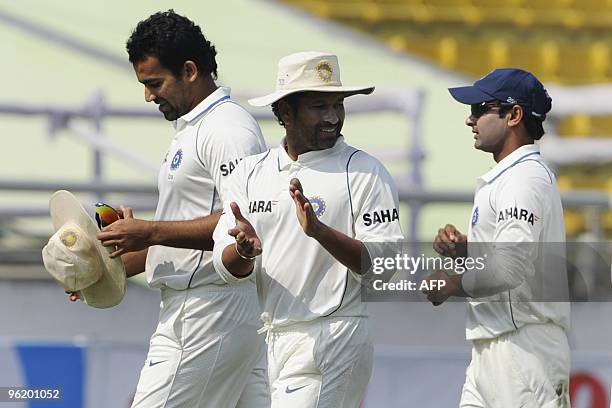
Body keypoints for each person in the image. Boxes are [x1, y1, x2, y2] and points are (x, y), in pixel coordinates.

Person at [74, 10, 270, 408]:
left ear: (190, 70)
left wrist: (149, 230)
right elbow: (179, 239)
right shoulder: (194, 129)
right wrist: (99, 268)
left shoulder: (228, 129)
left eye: (155, 83)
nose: (149, 95)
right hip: (207, 307)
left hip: (211, 308)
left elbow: (246, 223)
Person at [211, 51, 404, 408]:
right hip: (270, 339)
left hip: (334, 334)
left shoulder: (364, 171)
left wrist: (320, 232)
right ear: (285, 112)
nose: (333, 117)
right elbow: (225, 268)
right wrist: (243, 251)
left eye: (338, 105)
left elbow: (384, 266)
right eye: (319, 106)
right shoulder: (251, 173)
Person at [424, 68, 570, 407]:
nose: (469, 119)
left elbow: (510, 271)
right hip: (494, 349)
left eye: (479, 109)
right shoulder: (511, 176)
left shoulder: (524, 179)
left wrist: (451, 282)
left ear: (514, 115)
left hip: (523, 352)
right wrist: (466, 250)